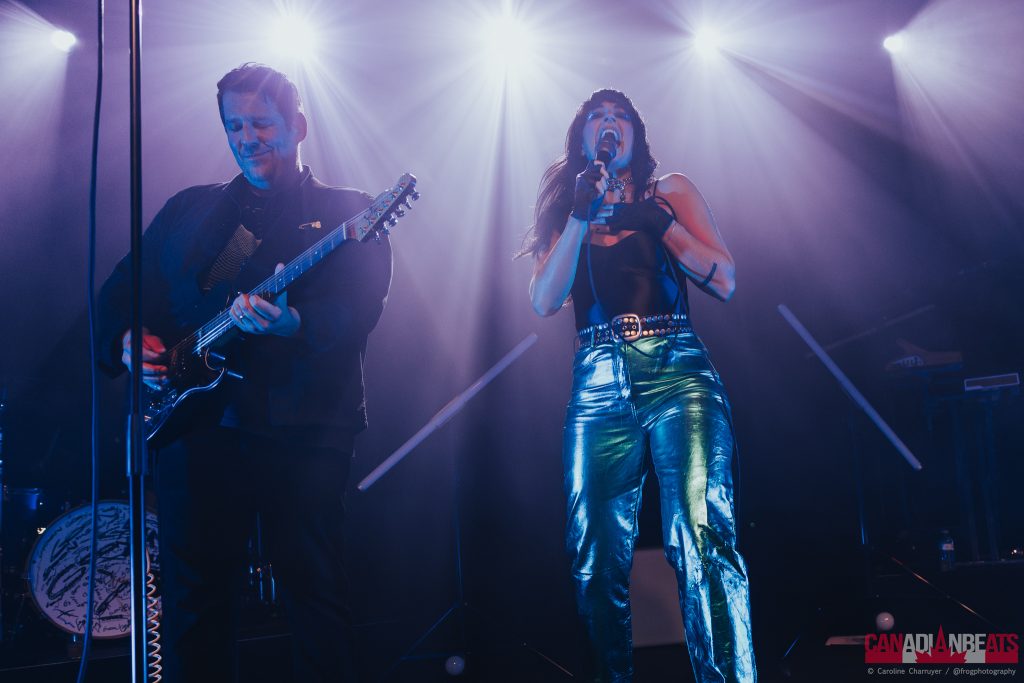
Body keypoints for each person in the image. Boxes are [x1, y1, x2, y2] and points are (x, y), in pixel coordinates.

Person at [97, 63, 392, 682]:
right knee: (194, 601)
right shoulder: (193, 209)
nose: (247, 137)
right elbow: (125, 289)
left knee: (315, 592)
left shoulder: (347, 212)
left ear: (298, 126)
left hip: (303, 427)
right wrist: (127, 338)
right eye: (235, 126)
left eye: (262, 123)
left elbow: (361, 307)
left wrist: (295, 325)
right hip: (196, 427)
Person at [526, 89, 756, 682]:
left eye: (620, 117)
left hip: (678, 370)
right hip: (596, 382)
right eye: (597, 118)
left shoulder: (668, 190)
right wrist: (579, 214)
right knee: (594, 555)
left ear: (636, 134)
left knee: (701, 536)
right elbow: (545, 300)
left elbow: (725, 280)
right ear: (582, 138)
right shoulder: (568, 206)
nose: (609, 124)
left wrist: (662, 225)